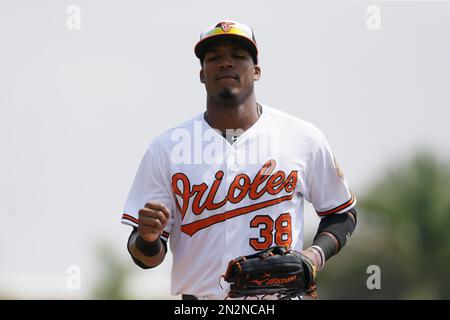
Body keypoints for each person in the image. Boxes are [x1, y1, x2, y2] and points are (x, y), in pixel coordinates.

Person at [121, 20, 357, 300]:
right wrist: (147, 239)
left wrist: (314, 256)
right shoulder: (167, 148)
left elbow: (342, 213)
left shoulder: (302, 137)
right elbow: (146, 259)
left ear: (256, 71)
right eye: (214, 58)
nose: (225, 63)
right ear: (201, 73)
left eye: (238, 55)